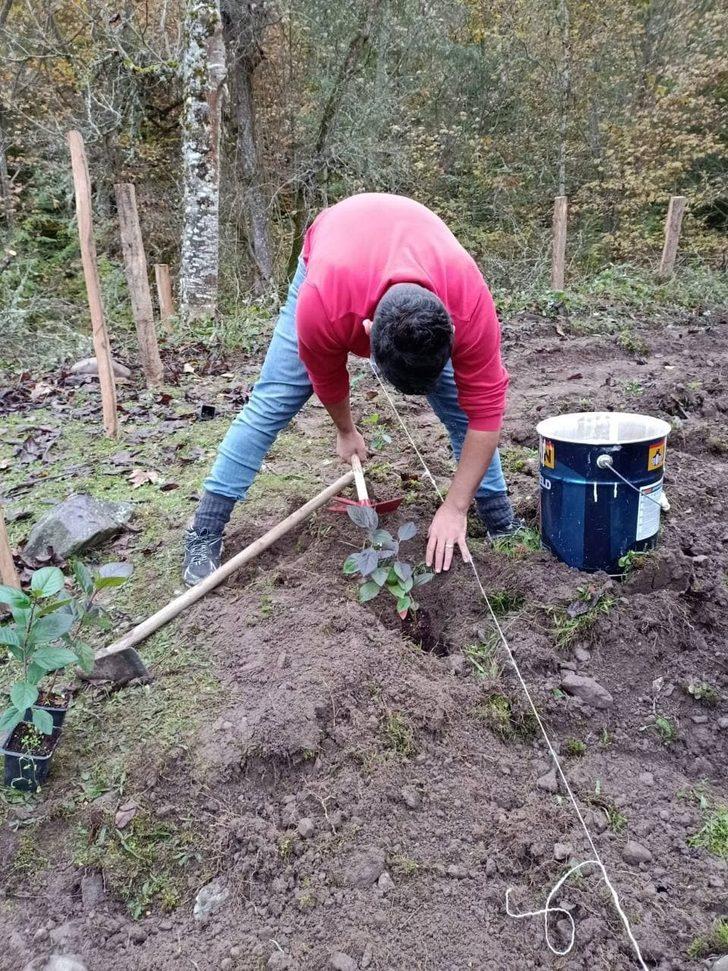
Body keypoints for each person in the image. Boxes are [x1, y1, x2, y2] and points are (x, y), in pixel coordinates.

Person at [183, 193, 521, 586]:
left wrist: (455, 508)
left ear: (452, 332)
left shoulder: (470, 305)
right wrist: (346, 430)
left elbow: (485, 414)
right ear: (367, 333)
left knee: (460, 409)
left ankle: (499, 518)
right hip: (333, 257)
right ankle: (205, 528)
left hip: (418, 259)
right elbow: (326, 377)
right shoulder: (323, 305)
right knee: (273, 400)